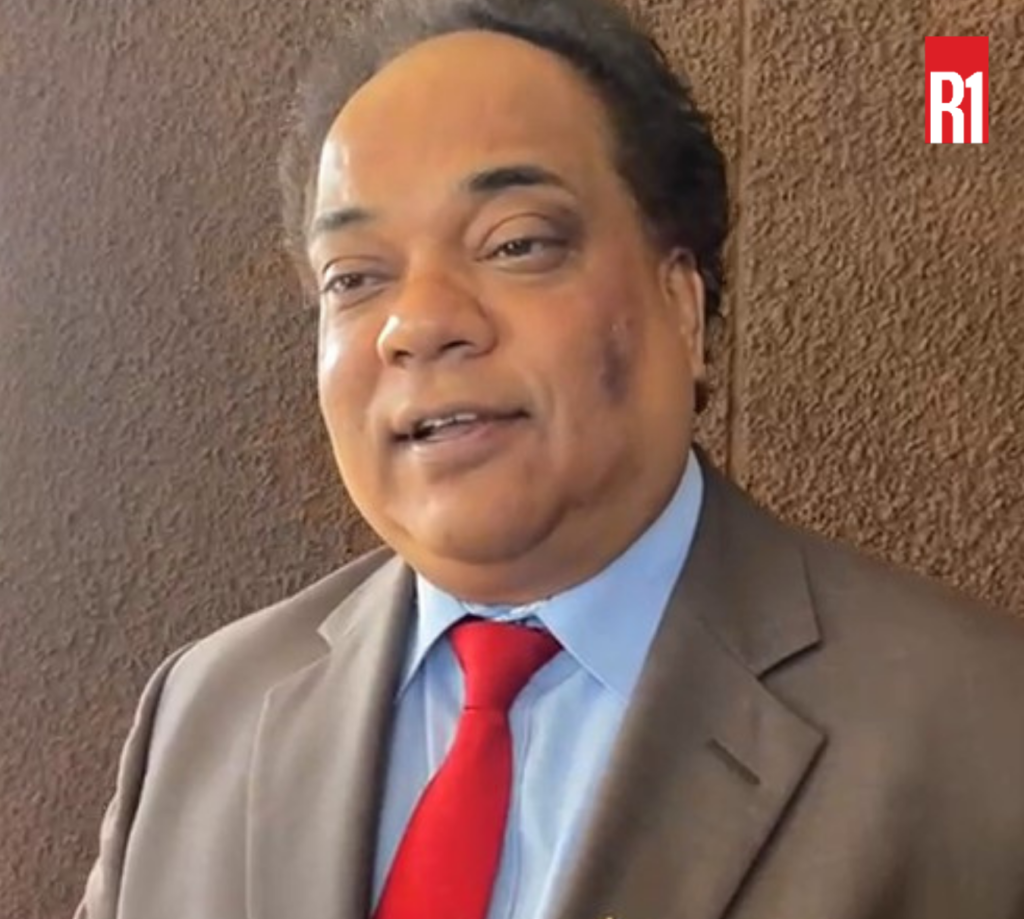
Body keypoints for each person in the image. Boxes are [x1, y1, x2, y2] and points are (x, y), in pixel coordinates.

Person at [76, 0, 1024, 917]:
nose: (419, 323)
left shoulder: (979, 732)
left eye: (515, 244)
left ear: (682, 307)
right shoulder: (202, 715)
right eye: (355, 278)